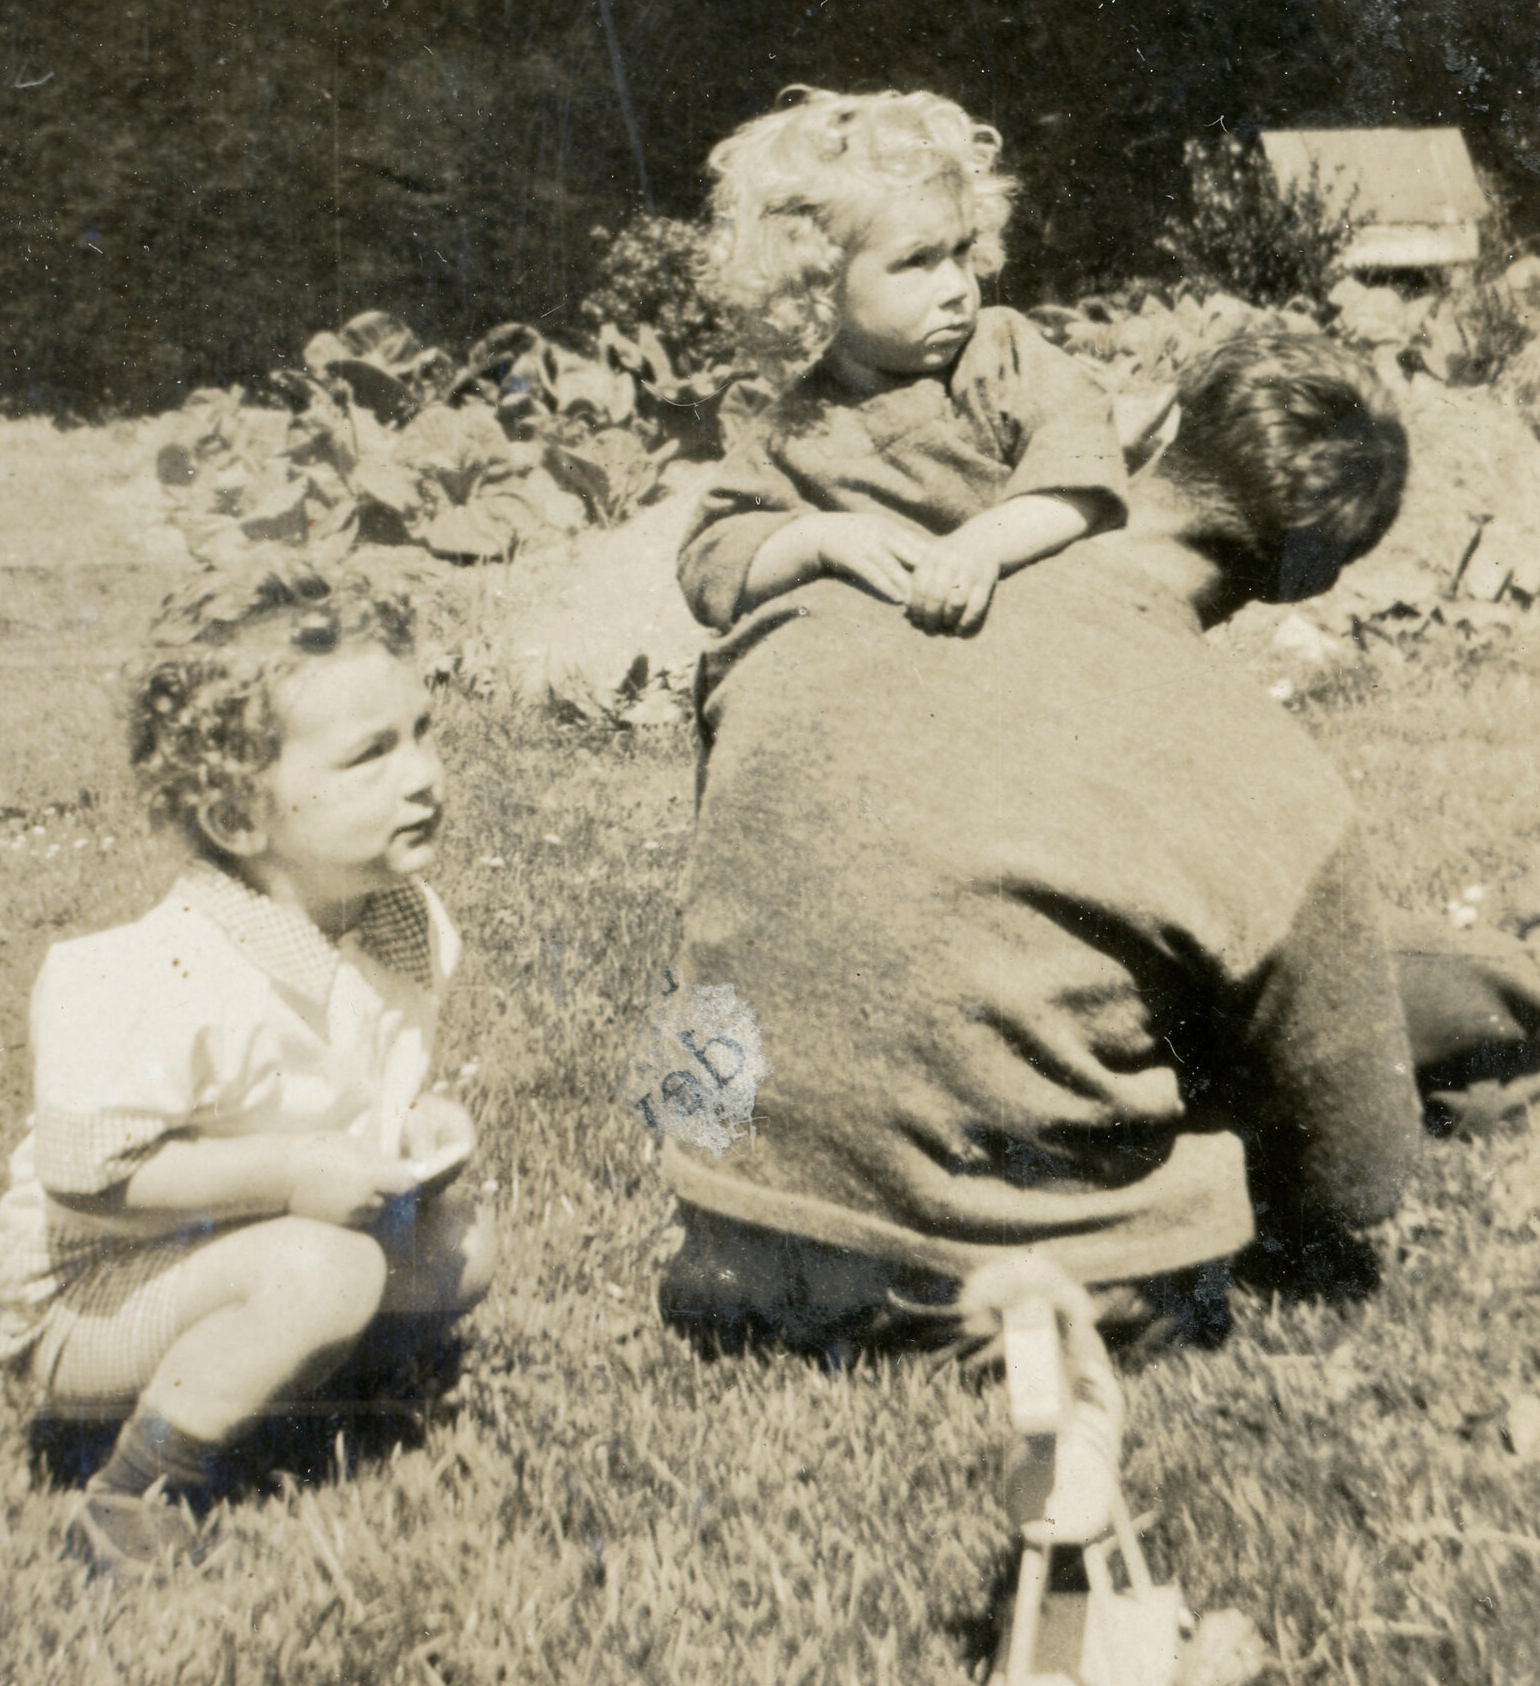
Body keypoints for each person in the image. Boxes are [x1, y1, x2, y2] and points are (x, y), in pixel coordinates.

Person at [659, 326, 1540, 1351]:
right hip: (1004, 1292)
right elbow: (1355, 1182)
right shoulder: (1265, 776)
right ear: (1307, 579)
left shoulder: (819, 602)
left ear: (1157, 427)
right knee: (1270, 1022)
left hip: (724, 1245)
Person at [0, 568, 495, 1568]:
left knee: (462, 1243)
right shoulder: (164, 976)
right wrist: (292, 1176)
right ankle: (132, 1494)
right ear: (240, 822)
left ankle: (326, 1403)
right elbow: (90, 1184)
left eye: (421, 733)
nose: (422, 775)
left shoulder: (397, 923)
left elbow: (363, 1078)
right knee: (325, 1267)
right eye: (368, 757)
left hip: (244, 1250)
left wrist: (417, 1121)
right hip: (95, 1295)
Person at [680, 87, 1129, 642]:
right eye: (917, 261)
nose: (957, 288)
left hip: (1045, 619)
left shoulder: (1003, 351)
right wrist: (818, 539)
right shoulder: (794, 432)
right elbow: (711, 562)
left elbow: (1082, 475)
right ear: (819, 283)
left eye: (962, 252)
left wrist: (979, 546)